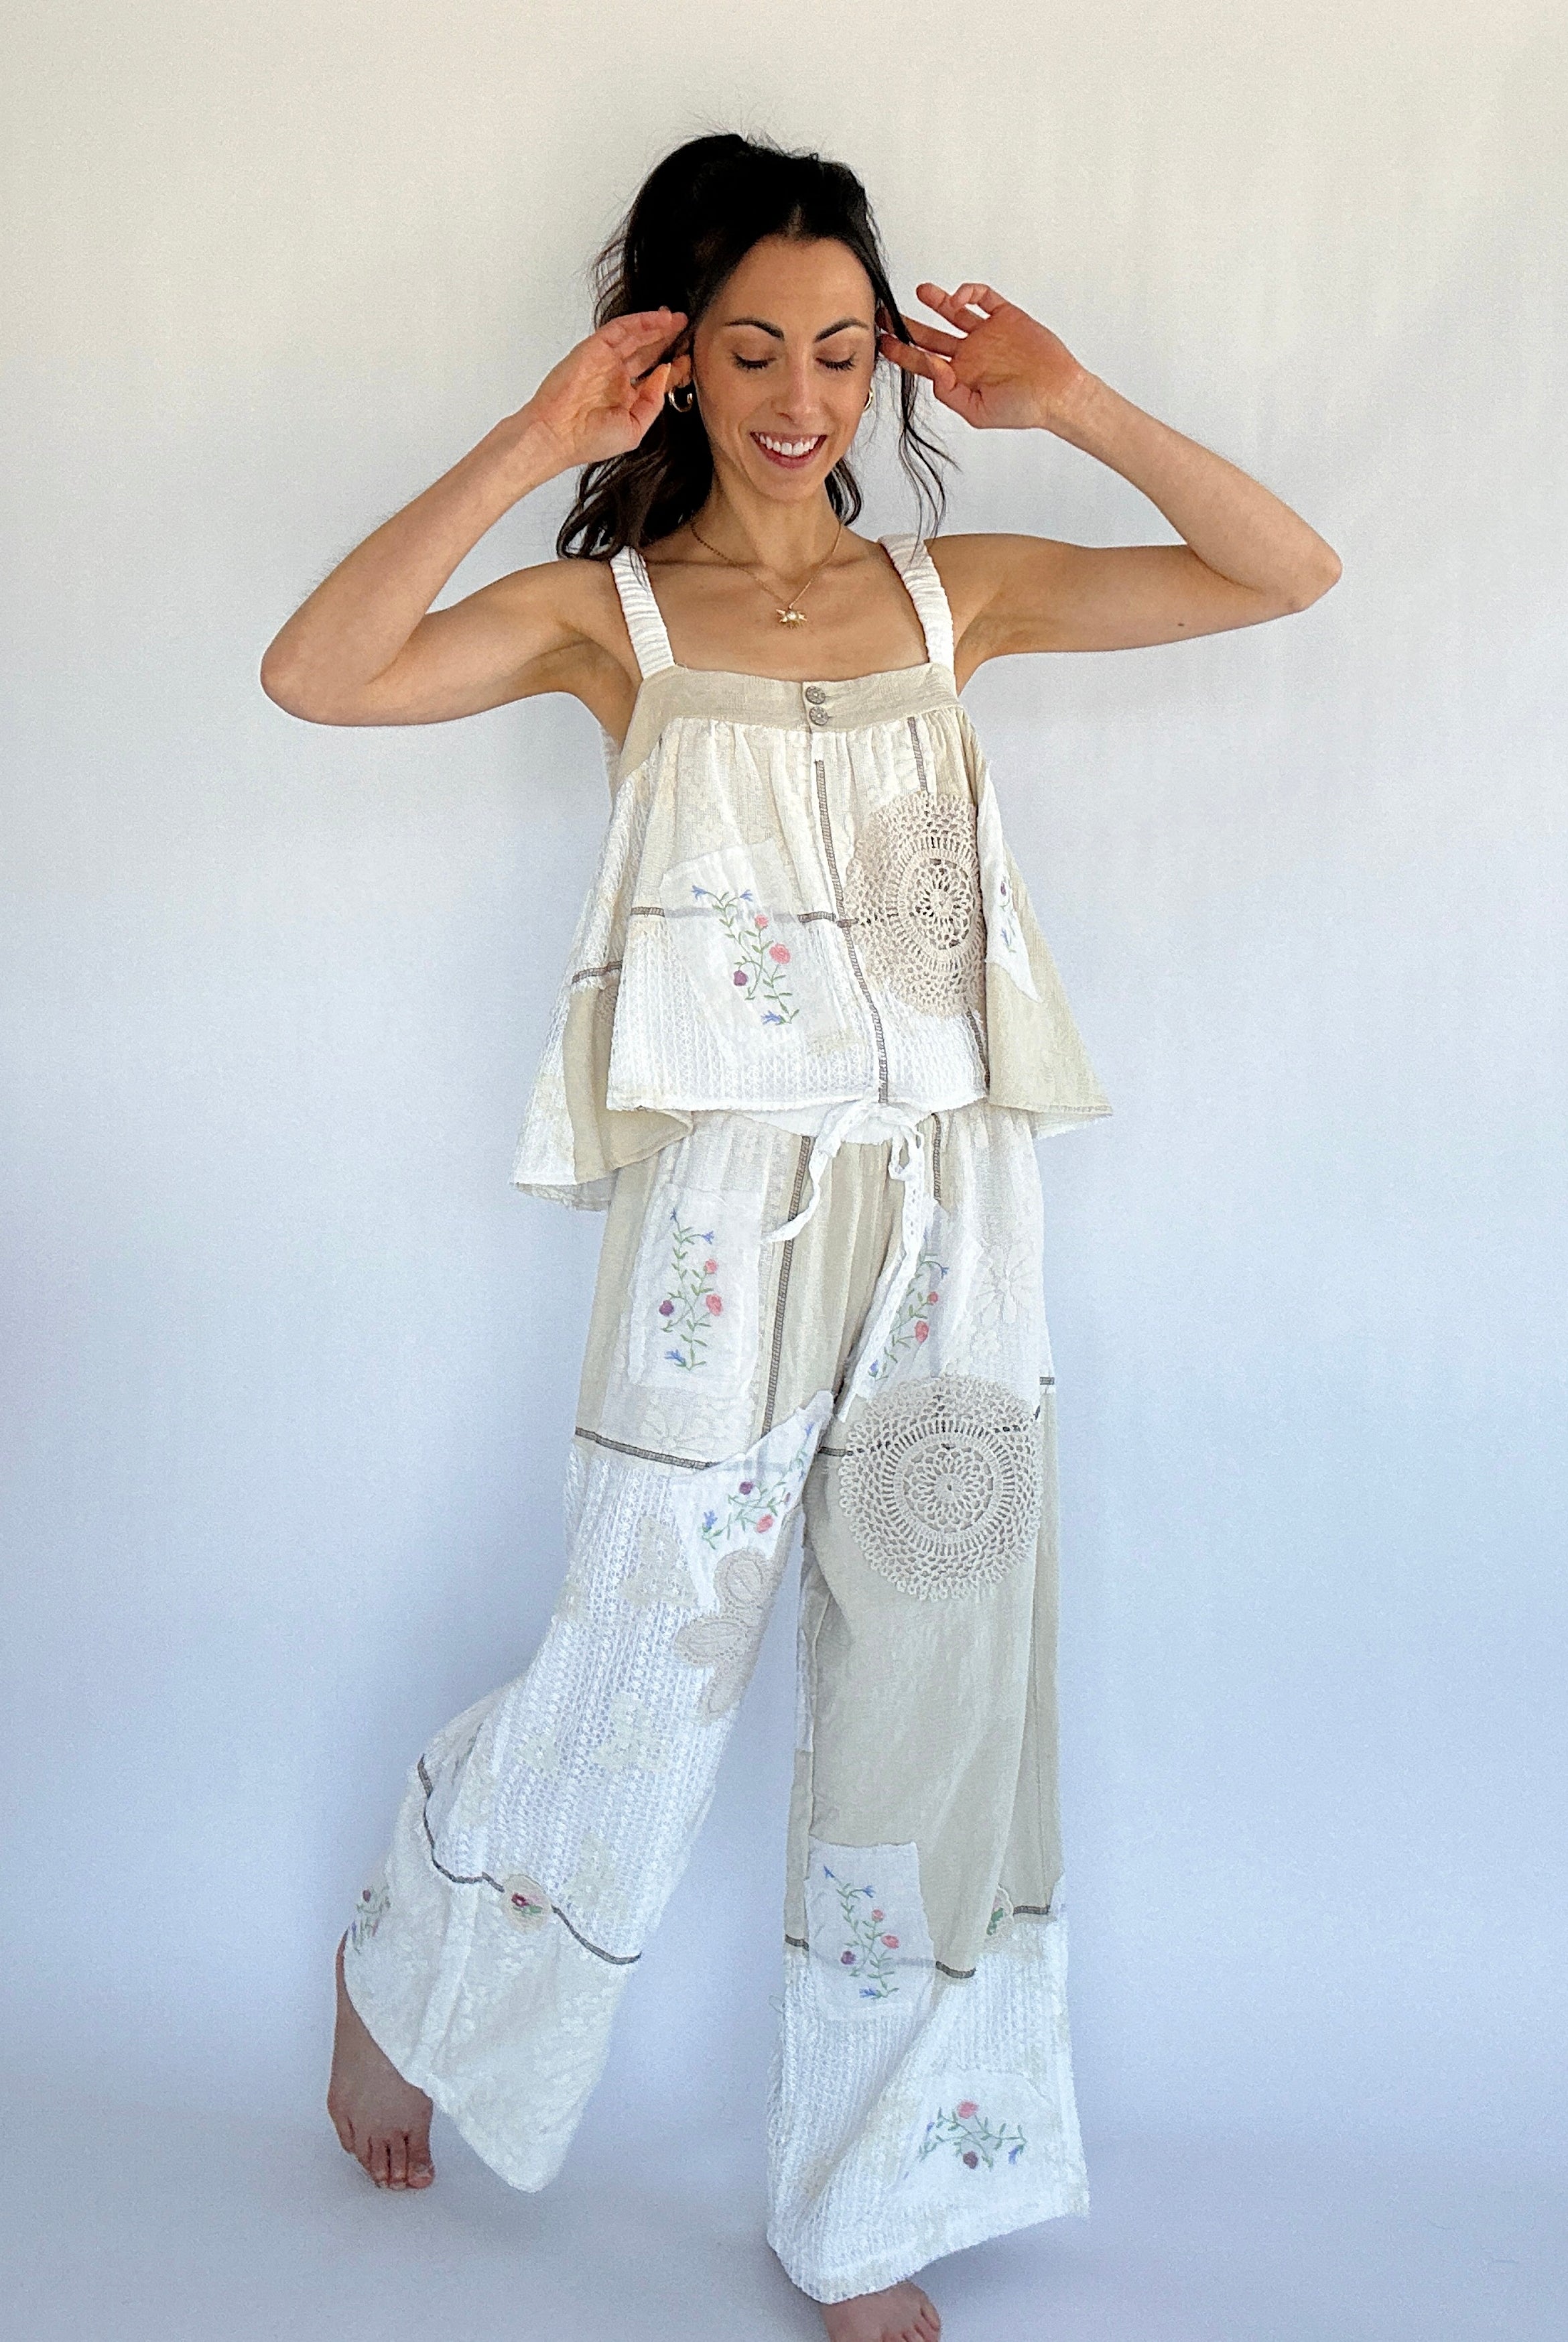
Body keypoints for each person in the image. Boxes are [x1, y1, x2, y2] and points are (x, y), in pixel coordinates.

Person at [261, 130, 1338, 2342]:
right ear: (670, 354)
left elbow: (1282, 570)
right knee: (644, 1660)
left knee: (936, 1696)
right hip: (721, 1216)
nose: (802, 393)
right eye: (753, 346)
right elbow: (317, 671)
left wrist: (1086, 409)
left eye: (841, 353)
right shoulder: (611, 616)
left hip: (955, 1186)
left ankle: (874, 2204)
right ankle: (411, 1972)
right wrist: (524, 443)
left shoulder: (963, 596)